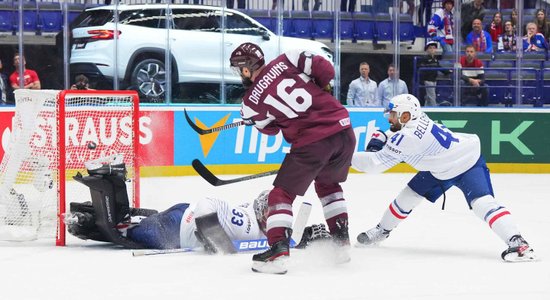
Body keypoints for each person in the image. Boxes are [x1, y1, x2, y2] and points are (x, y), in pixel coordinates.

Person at [351, 94, 536, 263]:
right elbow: (397, 133)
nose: (389, 118)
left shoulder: (408, 138)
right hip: (444, 165)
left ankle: (518, 243)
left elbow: (375, 164)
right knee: (408, 196)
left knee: (482, 203)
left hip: (465, 163)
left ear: (406, 115)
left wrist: (342, 157)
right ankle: (382, 230)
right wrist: (384, 135)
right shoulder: (419, 118)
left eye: (392, 114)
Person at [230, 42, 355, 274]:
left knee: (281, 194)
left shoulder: (249, 104)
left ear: (246, 69)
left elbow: (271, 130)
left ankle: (277, 252)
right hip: (343, 129)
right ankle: (341, 245)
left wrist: (254, 119)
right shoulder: (289, 58)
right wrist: (321, 86)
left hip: (313, 141)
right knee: (328, 185)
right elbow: (326, 70)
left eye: (240, 69)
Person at [65, 155, 331, 252]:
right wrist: (212, 237)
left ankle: (92, 212)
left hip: (178, 218)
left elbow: (276, 238)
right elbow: (206, 205)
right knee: (121, 232)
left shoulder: (253, 220)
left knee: (132, 225)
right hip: (174, 228)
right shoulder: (250, 225)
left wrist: (303, 236)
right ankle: (87, 216)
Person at [417, 41, 451, 106]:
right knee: (432, 96)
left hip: (433, 79)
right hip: (427, 80)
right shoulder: (424, 59)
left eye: (433, 48)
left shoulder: (435, 60)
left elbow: (439, 67)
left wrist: (447, 71)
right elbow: (421, 68)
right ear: (427, 50)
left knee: (429, 96)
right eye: (430, 48)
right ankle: (434, 108)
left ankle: (426, 107)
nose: (432, 49)